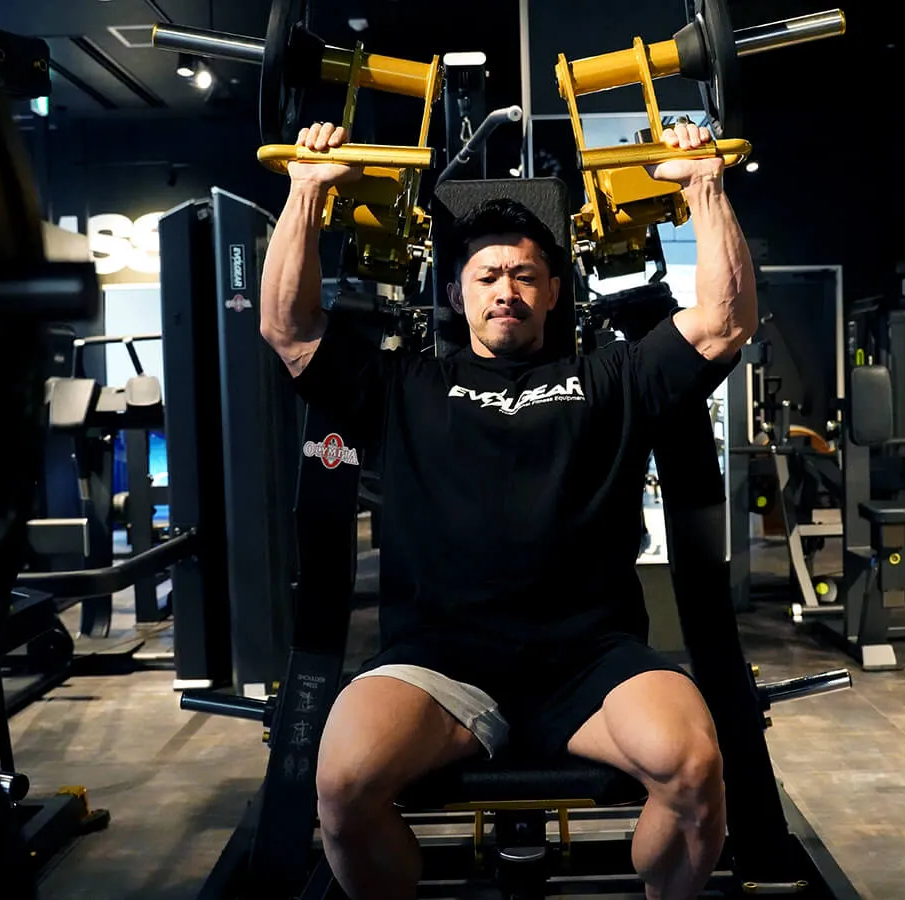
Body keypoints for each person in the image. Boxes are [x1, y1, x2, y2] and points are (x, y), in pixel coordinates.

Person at [260, 118, 757, 900]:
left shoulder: (613, 378)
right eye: (488, 275)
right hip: (438, 663)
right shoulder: (405, 387)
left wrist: (702, 184)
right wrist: (306, 190)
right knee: (341, 787)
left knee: (695, 771)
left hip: (592, 661)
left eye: (525, 275)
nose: (506, 291)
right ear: (457, 293)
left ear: (554, 292)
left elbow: (725, 323)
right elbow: (288, 330)